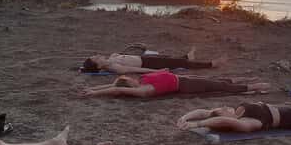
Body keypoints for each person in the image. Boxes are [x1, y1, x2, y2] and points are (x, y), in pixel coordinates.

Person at [83, 71, 270, 98]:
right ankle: (254, 87)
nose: (131, 77)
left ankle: (247, 83)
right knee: (220, 86)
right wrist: (95, 94)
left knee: (218, 82)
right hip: (186, 85)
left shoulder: (142, 80)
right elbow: (116, 87)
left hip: (184, 78)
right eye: (128, 80)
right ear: (129, 85)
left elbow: (114, 83)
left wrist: (94, 88)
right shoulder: (142, 90)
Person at [81, 47, 225, 74]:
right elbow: (135, 70)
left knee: (170, 59)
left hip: (145, 58)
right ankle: (211, 64)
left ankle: (187, 57)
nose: (98, 55)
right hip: (148, 64)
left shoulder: (110, 59)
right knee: (179, 64)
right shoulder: (114, 67)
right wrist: (156, 71)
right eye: (96, 57)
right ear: (98, 65)